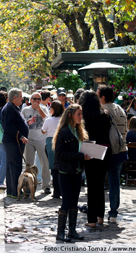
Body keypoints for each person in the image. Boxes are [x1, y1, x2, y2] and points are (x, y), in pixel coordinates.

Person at [53, 104, 90, 242]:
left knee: (74, 202)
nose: (81, 117)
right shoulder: (63, 132)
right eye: (78, 114)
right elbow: (60, 153)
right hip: (65, 171)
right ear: (70, 115)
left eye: (81, 114)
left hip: (77, 171)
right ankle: (60, 232)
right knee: (67, 202)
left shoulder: (79, 131)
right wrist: (80, 156)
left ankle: (72, 230)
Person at [79, 90, 111, 227]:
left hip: (89, 150)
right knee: (100, 184)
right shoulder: (105, 114)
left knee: (92, 185)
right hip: (105, 149)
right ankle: (100, 217)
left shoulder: (83, 116)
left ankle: (91, 219)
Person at [97, 85, 127, 223]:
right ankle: (113, 213)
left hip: (105, 150)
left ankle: (99, 214)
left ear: (103, 97)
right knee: (115, 183)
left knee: (99, 183)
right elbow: (124, 131)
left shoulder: (102, 111)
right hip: (120, 150)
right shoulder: (120, 109)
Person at [0, 88, 29, 198]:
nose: (22, 99)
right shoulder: (9, 108)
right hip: (13, 142)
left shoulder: (13, 107)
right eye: (21, 96)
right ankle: (14, 191)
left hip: (14, 142)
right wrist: (21, 136)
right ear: (15, 97)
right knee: (14, 166)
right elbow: (9, 126)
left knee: (13, 165)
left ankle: (13, 190)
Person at [22, 92, 51, 194]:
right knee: (29, 163)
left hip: (41, 139)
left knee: (45, 163)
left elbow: (48, 120)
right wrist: (28, 122)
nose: (37, 101)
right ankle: (28, 185)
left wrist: (39, 109)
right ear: (31, 100)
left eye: (39, 99)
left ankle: (46, 185)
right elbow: (21, 123)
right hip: (29, 139)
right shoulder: (25, 110)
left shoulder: (44, 108)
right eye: (35, 99)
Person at [42, 100, 64, 199]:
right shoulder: (64, 120)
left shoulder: (49, 120)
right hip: (62, 142)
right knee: (61, 167)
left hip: (50, 142)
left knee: (54, 168)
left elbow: (43, 131)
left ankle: (56, 191)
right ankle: (62, 190)